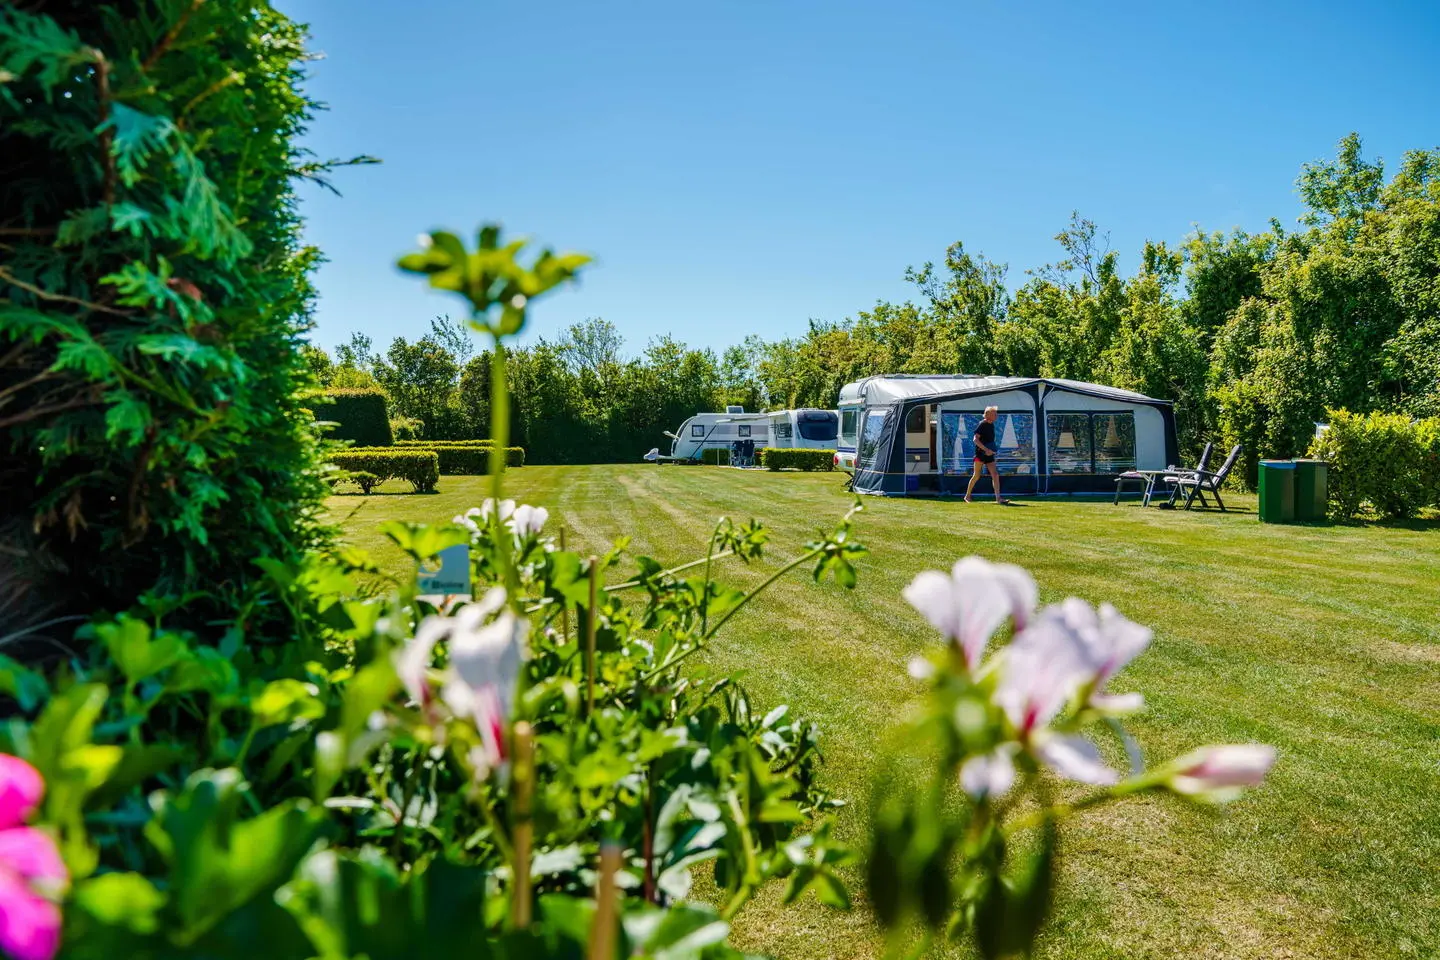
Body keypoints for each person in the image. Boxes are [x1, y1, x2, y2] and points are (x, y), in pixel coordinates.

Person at [965, 406, 1007, 504]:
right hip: (980, 454)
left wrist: (991, 450)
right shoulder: (982, 424)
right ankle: (967, 496)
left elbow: (989, 440)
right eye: (994, 414)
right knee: (976, 475)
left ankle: (998, 499)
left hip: (989, 454)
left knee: (995, 475)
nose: (996, 415)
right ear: (988, 415)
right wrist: (986, 449)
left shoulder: (991, 425)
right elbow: (975, 440)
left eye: (996, 414)